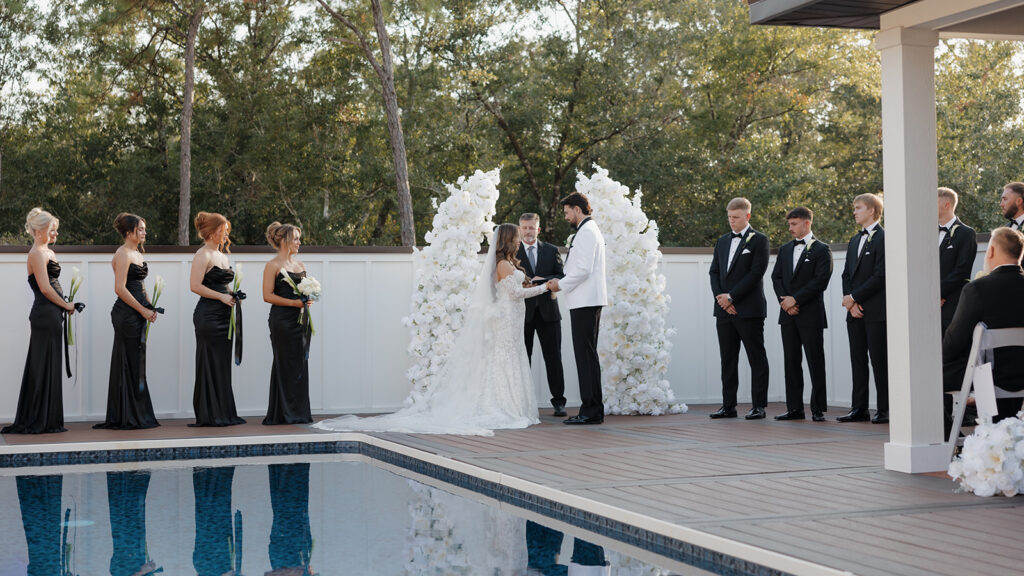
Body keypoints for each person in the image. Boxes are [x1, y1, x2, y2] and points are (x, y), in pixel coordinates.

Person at [314, 223, 550, 435]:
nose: (520, 240)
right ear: (508, 239)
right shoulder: (503, 264)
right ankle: (501, 405)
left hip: (513, 318)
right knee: (503, 359)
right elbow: (516, 294)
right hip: (507, 318)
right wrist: (546, 287)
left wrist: (534, 283)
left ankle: (508, 404)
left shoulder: (507, 263)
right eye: (517, 237)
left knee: (509, 358)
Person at [3, 208, 76, 434]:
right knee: (41, 364)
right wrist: (66, 305)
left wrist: (64, 305)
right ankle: (38, 418)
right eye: (52, 231)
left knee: (50, 365)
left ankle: (49, 418)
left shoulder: (48, 252)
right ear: (39, 231)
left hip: (53, 314)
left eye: (56, 231)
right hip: (44, 314)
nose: (55, 235)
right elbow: (44, 288)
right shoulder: (36, 253)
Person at [943, 227, 1024, 424]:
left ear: (992, 251)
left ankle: (957, 442)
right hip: (1020, 370)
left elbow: (954, 342)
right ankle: (1004, 432)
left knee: (924, 374)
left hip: (989, 374)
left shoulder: (977, 288)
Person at [94, 213, 160, 430]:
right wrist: (141, 309)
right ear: (129, 232)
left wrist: (150, 307)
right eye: (140, 229)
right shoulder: (122, 254)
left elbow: (140, 286)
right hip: (126, 315)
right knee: (129, 362)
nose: (144, 232)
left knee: (136, 363)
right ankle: (127, 415)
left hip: (138, 313)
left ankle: (136, 413)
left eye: (144, 229)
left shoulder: (137, 253)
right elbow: (120, 288)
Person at [707, 197, 770, 420]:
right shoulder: (722, 241)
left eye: (736, 217)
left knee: (756, 357)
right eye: (729, 218)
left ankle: (759, 406)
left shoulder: (759, 240)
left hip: (749, 309)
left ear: (747, 216)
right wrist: (722, 300)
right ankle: (728, 406)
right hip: (724, 310)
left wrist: (732, 297)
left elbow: (756, 273)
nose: (732, 222)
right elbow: (714, 272)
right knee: (728, 359)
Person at [548, 193, 608, 425]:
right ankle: (592, 408)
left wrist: (560, 285)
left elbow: (582, 269)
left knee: (585, 357)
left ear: (577, 209)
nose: (566, 217)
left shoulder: (586, 232)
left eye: (566, 212)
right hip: (586, 300)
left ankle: (591, 411)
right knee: (587, 356)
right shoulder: (589, 230)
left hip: (585, 301)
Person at [770, 207, 832, 422]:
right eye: (789, 224)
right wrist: (785, 302)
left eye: (794, 224)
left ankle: (817, 408)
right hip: (787, 314)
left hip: (810, 314)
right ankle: (794, 408)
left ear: (807, 223)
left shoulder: (822, 249)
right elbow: (776, 277)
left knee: (815, 361)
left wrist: (795, 300)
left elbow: (820, 281)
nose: (790, 228)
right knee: (791, 361)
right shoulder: (785, 249)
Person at [189, 211, 245, 427]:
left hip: (224, 316)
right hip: (208, 316)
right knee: (209, 362)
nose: (225, 235)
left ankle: (223, 411)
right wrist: (221, 296)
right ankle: (209, 413)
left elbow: (223, 286)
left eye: (226, 231)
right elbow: (195, 286)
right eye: (223, 231)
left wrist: (233, 295)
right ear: (212, 232)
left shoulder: (223, 256)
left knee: (222, 363)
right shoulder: (202, 255)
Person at [839, 193, 888, 423]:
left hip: (876, 311)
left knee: (879, 361)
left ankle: (885, 409)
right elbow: (846, 274)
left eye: (858, 208)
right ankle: (859, 408)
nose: (854, 211)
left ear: (871, 210)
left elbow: (881, 275)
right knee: (857, 360)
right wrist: (850, 301)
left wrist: (856, 298)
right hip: (854, 311)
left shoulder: (884, 237)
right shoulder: (854, 240)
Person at [262, 222, 313, 425]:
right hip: (281, 321)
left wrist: (308, 299)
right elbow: (267, 295)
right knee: (284, 364)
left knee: (300, 365)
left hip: (300, 321)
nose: (299, 242)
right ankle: (283, 413)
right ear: (284, 241)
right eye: (296, 238)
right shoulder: (272, 265)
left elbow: (303, 292)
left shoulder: (301, 266)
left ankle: (299, 412)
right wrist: (293, 302)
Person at [517, 212, 567, 417]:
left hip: (549, 312)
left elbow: (562, 276)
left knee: (553, 358)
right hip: (522, 314)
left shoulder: (551, 250)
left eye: (532, 228)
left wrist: (543, 279)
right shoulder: (512, 251)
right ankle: (523, 403)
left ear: (538, 229)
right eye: (525, 228)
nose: (528, 231)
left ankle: (559, 402)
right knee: (522, 358)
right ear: (520, 229)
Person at [937, 187, 977, 334]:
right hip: (928, 307)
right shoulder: (927, 232)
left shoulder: (966, 233)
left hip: (951, 305)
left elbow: (963, 270)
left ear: (947, 204)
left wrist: (938, 293)